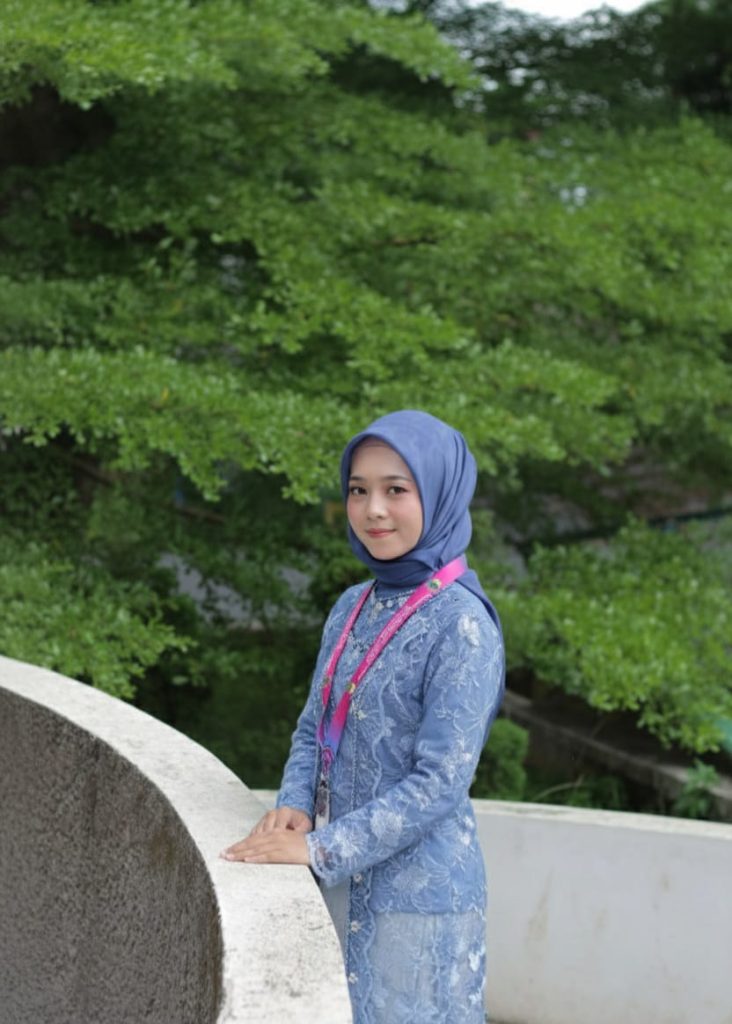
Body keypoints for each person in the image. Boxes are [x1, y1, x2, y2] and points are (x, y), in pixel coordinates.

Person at [222, 410, 505, 1024]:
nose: (373, 509)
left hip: (416, 906)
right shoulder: (354, 604)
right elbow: (313, 727)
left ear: (440, 494)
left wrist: (319, 848)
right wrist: (295, 804)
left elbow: (440, 782)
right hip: (335, 886)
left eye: (396, 490)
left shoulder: (462, 625)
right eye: (358, 490)